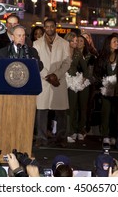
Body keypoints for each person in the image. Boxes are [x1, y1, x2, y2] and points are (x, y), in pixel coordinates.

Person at [33, 18, 71, 148]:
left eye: (51, 26)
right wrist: (47, 76)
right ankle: (41, 138)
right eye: (47, 27)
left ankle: (61, 138)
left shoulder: (64, 43)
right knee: (42, 111)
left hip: (58, 81)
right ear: (44, 28)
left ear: (56, 27)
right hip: (44, 80)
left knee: (61, 112)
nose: (49, 29)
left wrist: (56, 75)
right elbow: (36, 62)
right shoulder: (36, 43)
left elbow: (67, 62)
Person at [94, 33, 118, 147]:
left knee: (116, 113)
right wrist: (102, 83)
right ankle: (105, 135)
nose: (117, 43)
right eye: (114, 41)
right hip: (105, 89)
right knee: (106, 112)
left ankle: (114, 135)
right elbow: (97, 73)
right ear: (109, 43)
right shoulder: (103, 56)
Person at [64, 32, 90, 143]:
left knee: (72, 108)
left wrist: (84, 77)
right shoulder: (62, 51)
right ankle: (66, 132)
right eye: (73, 41)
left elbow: (86, 69)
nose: (75, 43)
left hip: (73, 82)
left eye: (76, 41)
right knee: (64, 109)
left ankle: (72, 132)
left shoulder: (78, 53)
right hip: (62, 81)